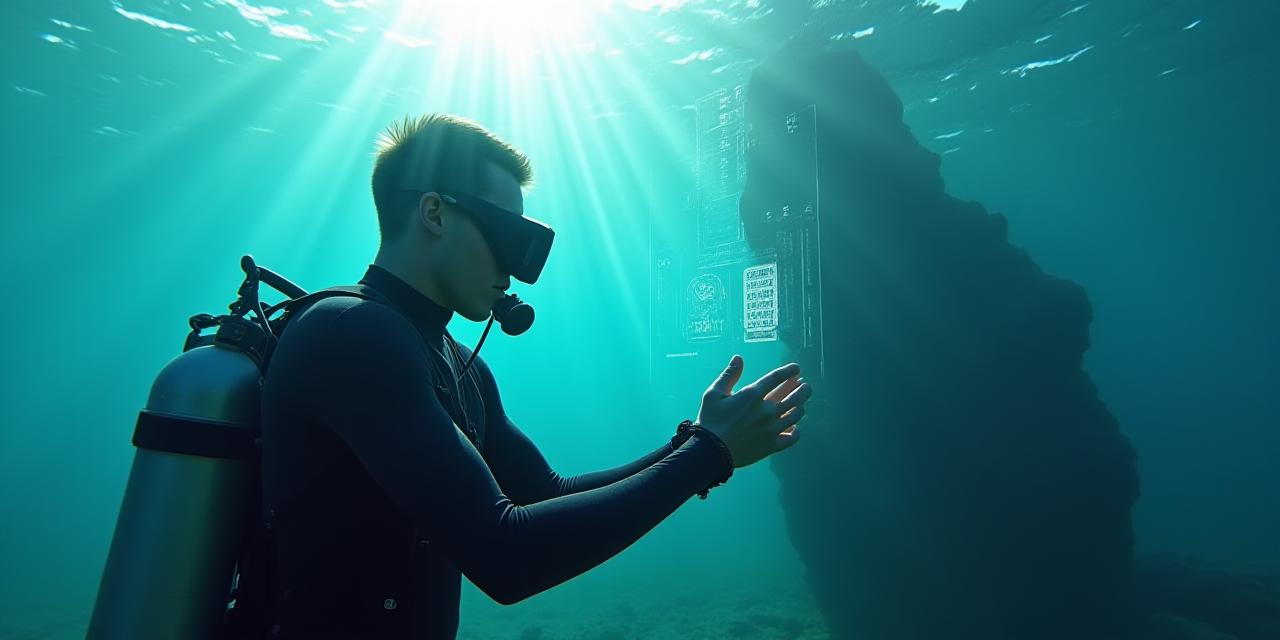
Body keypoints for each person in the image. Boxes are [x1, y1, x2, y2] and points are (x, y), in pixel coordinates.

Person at [258, 113, 812, 639]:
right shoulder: (352, 334)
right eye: (507, 235)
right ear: (434, 213)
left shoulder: (456, 362)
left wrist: (696, 442)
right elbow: (506, 556)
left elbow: (546, 493)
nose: (518, 268)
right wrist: (707, 454)